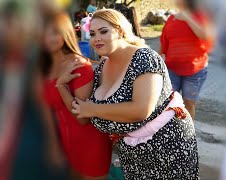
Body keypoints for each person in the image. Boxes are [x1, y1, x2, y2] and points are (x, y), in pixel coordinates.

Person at [71, 9, 199, 179]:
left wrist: (92, 109)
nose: (96, 38)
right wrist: (62, 84)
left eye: (104, 31)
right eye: (92, 34)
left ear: (121, 31)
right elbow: (82, 109)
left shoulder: (145, 58)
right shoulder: (103, 65)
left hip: (167, 151)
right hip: (133, 158)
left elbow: (141, 109)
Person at [36, 11, 112, 180]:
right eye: (44, 32)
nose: (48, 38)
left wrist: (61, 85)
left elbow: (83, 118)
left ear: (65, 33)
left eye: (54, 32)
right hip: (65, 141)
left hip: (91, 142)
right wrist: (52, 144)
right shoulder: (43, 68)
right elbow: (45, 109)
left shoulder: (78, 65)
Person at [160, 0, 214, 119]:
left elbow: (205, 35)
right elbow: (164, 41)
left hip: (195, 69)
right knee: (166, 102)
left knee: (189, 103)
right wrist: (158, 59)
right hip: (172, 68)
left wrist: (188, 18)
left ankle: (188, 135)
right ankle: (169, 132)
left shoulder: (201, 16)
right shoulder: (172, 18)